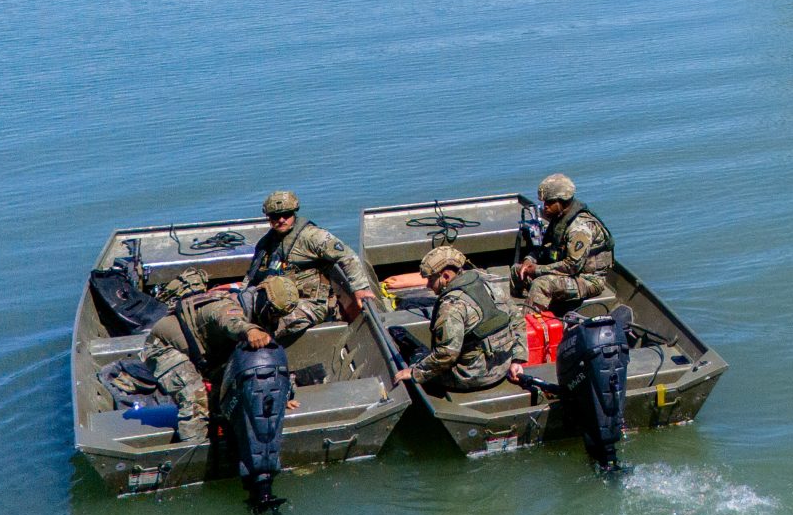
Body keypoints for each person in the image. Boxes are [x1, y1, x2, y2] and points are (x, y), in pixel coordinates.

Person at [141, 271, 293, 444]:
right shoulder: (226, 307)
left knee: (227, 396)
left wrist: (283, 396)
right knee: (195, 398)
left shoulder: (262, 318)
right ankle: (191, 452)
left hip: (204, 353)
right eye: (273, 312)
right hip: (163, 347)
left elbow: (270, 362)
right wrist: (249, 330)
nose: (275, 319)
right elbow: (230, 322)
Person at [247, 190, 379, 343]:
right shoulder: (266, 244)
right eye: (276, 216)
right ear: (268, 217)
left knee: (264, 331)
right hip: (276, 301)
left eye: (287, 214)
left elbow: (347, 257)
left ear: (294, 213)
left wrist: (360, 288)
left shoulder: (313, 237)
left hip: (312, 303)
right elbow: (253, 275)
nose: (282, 220)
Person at [394, 247, 522, 393]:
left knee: (416, 355)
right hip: (503, 366)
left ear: (446, 277)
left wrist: (414, 372)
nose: (428, 285)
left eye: (431, 279)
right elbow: (517, 320)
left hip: (469, 377)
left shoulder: (451, 306)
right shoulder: (488, 285)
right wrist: (517, 359)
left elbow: (446, 355)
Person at [513, 173, 614, 315]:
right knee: (517, 271)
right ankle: (514, 311)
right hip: (566, 273)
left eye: (549, 202)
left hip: (588, 279)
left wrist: (536, 269)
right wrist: (529, 260)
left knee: (542, 284)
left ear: (563, 201)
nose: (545, 207)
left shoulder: (579, 228)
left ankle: (527, 326)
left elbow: (572, 266)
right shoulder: (559, 220)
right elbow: (545, 247)